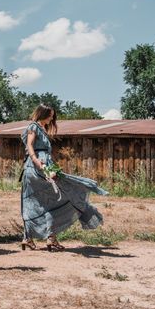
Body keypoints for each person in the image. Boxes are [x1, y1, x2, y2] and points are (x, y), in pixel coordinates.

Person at [21, 104, 108, 251]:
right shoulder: (33, 127)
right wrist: (37, 161)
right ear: (42, 114)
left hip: (42, 167)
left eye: (53, 116)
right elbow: (29, 145)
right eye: (50, 115)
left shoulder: (41, 128)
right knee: (57, 199)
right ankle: (50, 237)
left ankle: (28, 238)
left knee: (35, 201)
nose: (52, 118)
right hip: (39, 167)